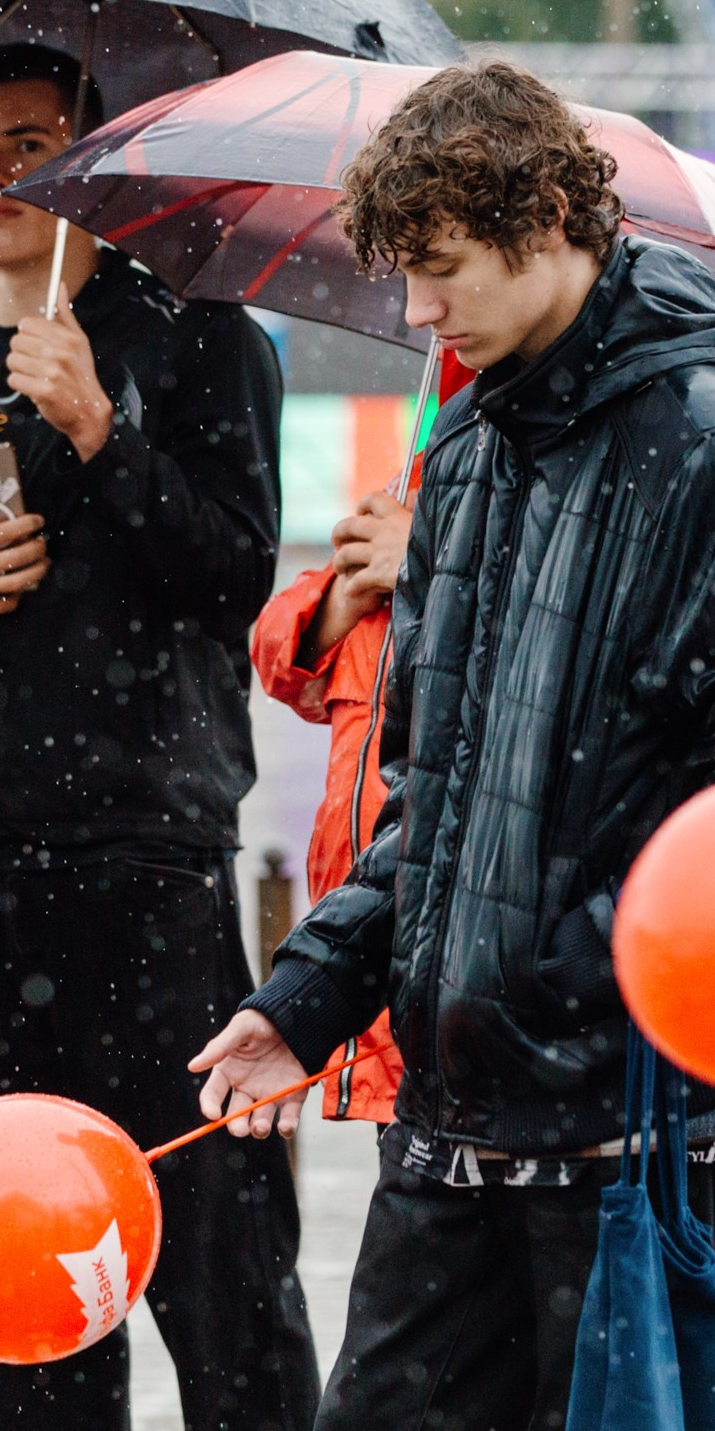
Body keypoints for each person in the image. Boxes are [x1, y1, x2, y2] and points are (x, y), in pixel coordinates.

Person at [192, 57, 715, 1431]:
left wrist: (568, 972)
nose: (419, 312)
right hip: (451, 1107)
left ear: (549, 216)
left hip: (631, 1126)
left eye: (441, 270)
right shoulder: (471, 449)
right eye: (405, 277)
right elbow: (429, 798)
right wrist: (303, 1001)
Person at [0, 42, 316, 1431]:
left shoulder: (199, 337)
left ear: (91, 167)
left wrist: (102, 431)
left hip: (145, 848)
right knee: (13, 1244)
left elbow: (234, 576)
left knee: (219, 1249)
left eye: (30, 143)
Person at [249, 477, 428, 1123]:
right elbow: (276, 653)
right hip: (378, 955)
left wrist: (428, 560)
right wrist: (345, 596)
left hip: (466, 976)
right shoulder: (421, 476)